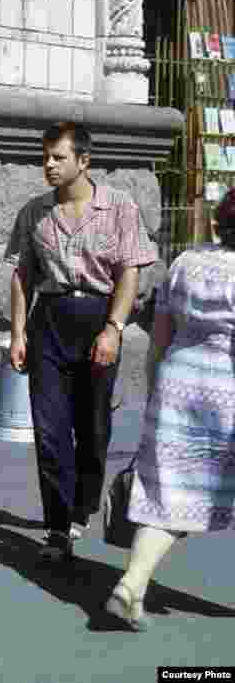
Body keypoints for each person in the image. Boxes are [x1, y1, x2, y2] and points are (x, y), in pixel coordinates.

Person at [6, 122, 158, 562]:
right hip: (49, 321)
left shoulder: (119, 208)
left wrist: (113, 328)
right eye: (45, 157)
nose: (48, 165)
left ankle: (83, 507)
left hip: (96, 319)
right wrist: (17, 333)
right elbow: (22, 274)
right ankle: (57, 527)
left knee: (92, 429)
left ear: (83, 161)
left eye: (58, 157)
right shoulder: (34, 212)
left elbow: (130, 270)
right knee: (50, 431)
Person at [103, 190, 235, 631]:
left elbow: (160, 335)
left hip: (177, 385)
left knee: (168, 496)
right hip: (225, 391)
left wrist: (158, 387)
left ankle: (133, 582)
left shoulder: (186, 262)